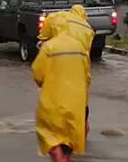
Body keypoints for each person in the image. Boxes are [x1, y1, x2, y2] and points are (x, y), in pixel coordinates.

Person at [33, 16, 90, 162]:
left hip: (53, 103)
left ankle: (59, 158)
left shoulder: (49, 47)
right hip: (76, 104)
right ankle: (64, 158)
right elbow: (87, 76)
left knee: (48, 134)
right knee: (68, 139)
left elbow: (38, 73)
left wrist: (42, 83)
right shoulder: (80, 47)